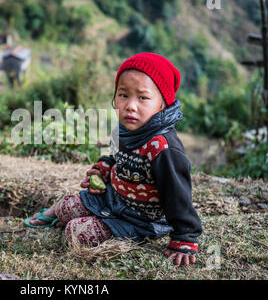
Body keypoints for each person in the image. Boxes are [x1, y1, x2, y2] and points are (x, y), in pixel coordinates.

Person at [24, 53, 202, 267]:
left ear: (163, 103)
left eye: (143, 98)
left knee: (75, 231)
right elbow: (114, 157)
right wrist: (103, 169)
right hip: (113, 200)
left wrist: (185, 238)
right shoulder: (124, 129)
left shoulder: (163, 148)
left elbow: (178, 194)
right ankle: (57, 214)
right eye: (123, 95)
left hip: (142, 221)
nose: (130, 106)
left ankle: (95, 225)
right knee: (66, 205)